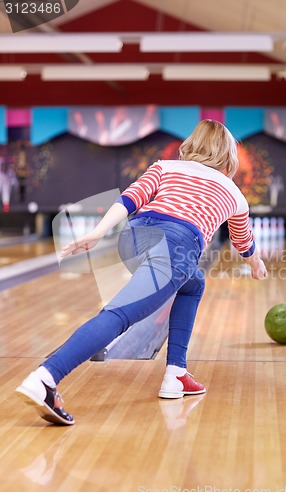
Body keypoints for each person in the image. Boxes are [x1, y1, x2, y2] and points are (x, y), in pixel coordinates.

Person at [16, 119, 267, 426]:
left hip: (133, 239)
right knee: (118, 317)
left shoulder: (165, 167)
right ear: (229, 158)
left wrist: (96, 232)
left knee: (193, 284)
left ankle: (176, 374)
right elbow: (243, 241)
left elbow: (129, 200)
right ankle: (45, 378)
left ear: (190, 145)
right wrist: (256, 263)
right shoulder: (234, 194)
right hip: (174, 250)